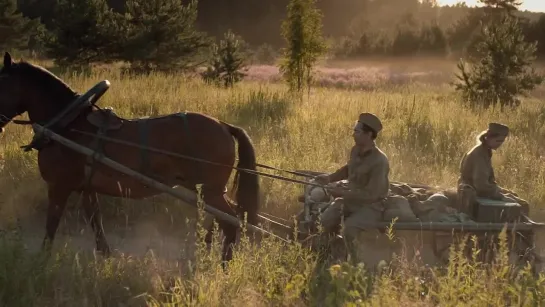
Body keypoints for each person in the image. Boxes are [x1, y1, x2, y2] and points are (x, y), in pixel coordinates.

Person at [314, 112, 390, 262]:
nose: (353, 135)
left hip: (372, 206)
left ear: (368, 134)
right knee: (324, 220)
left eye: (357, 131)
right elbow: (348, 169)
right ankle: (325, 256)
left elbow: (372, 195)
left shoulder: (380, 161)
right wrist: (330, 178)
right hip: (351, 200)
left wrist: (342, 193)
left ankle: (355, 264)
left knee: (350, 229)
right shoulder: (355, 150)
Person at [458, 122, 530, 216]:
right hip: (471, 195)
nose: (500, 144)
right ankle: (515, 230)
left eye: (502, 141)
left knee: (514, 196)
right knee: (522, 205)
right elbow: (481, 185)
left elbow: (487, 183)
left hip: (477, 191)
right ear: (489, 137)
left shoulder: (484, 151)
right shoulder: (478, 154)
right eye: (498, 141)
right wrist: (501, 196)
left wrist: (504, 192)